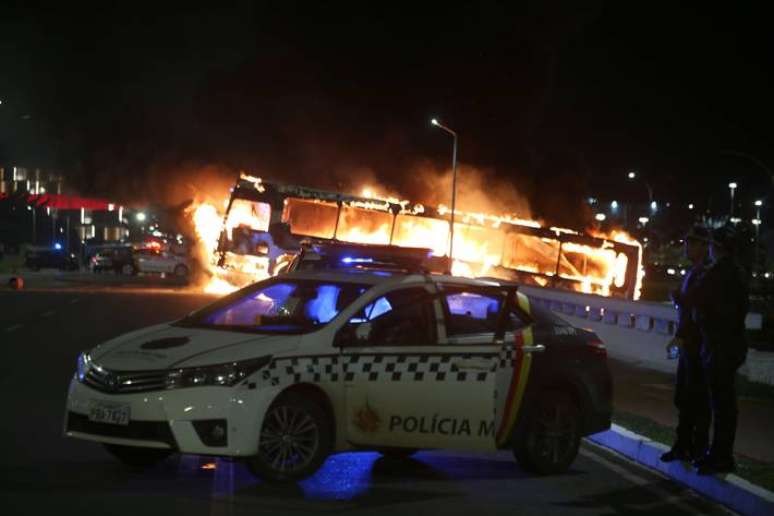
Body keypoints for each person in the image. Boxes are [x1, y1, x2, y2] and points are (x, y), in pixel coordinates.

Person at [690, 225, 750, 475]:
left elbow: (700, 298)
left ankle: (720, 456)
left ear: (717, 248)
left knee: (722, 406)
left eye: (712, 245)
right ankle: (717, 454)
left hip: (720, 347)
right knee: (723, 405)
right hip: (726, 346)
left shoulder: (720, 273)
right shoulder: (735, 272)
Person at [660, 225, 711, 464]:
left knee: (696, 400)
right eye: (687, 242)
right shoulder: (693, 272)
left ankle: (697, 448)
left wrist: (680, 299)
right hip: (687, 344)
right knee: (683, 397)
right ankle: (682, 446)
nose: (687, 247)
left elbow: (695, 309)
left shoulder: (705, 274)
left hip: (696, 345)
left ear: (704, 246)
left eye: (693, 243)